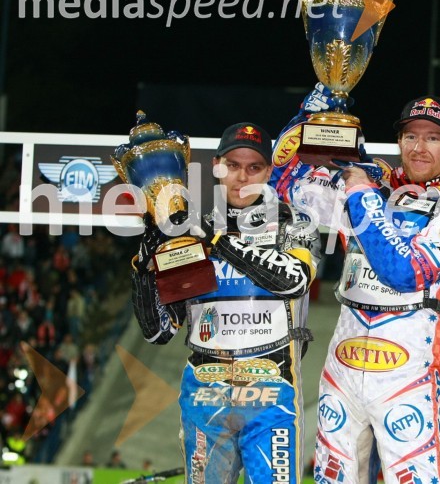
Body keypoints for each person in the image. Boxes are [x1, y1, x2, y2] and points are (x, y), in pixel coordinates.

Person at [271, 92, 440, 483]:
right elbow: (283, 180)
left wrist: (358, 192)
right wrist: (313, 111)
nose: (420, 147)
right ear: (400, 141)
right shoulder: (373, 185)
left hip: (408, 365)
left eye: (433, 138)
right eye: (411, 136)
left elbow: (402, 272)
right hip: (343, 358)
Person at [130, 122, 320, 483]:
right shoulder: (190, 232)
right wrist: (143, 264)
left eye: (254, 168)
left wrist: (216, 238)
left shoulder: (293, 223)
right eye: (233, 165)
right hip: (205, 394)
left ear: (269, 171)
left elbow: (293, 280)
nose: (242, 177)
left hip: (272, 395)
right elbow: (159, 332)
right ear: (217, 166)